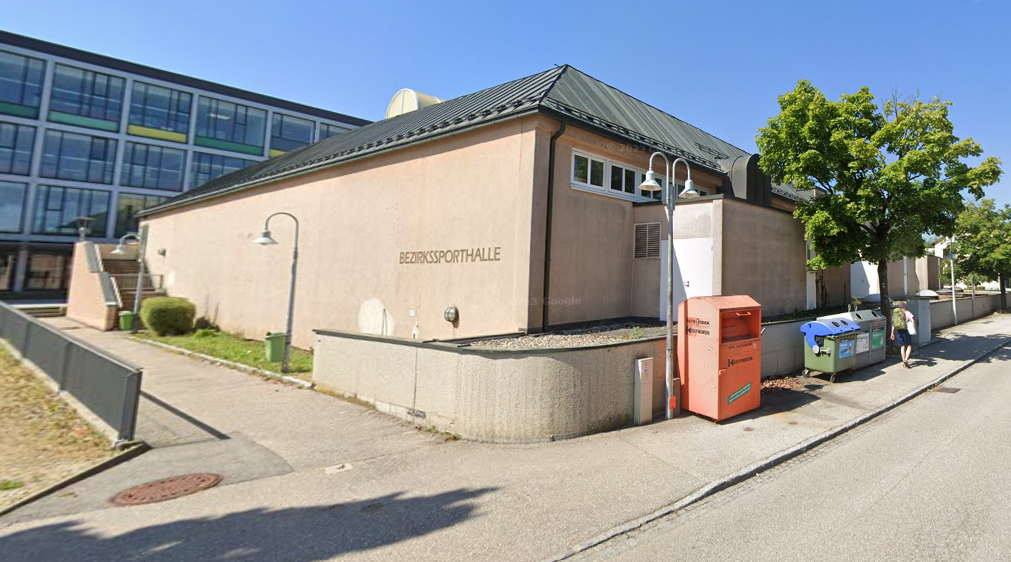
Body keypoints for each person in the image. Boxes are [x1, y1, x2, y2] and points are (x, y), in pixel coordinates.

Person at [891, 301, 915, 368]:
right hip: (906, 331)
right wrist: (914, 330)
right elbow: (913, 321)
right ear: (905, 307)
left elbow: (894, 324)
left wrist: (892, 333)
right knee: (909, 345)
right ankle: (906, 359)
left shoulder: (896, 314)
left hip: (899, 331)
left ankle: (903, 361)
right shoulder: (907, 313)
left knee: (902, 346)